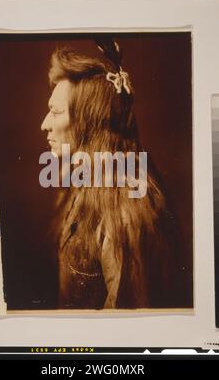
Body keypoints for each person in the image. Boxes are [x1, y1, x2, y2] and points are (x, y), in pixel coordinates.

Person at [41, 40, 180, 310]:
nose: (44, 124)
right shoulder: (83, 186)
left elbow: (127, 331)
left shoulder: (124, 211)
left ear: (89, 122)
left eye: (56, 112)